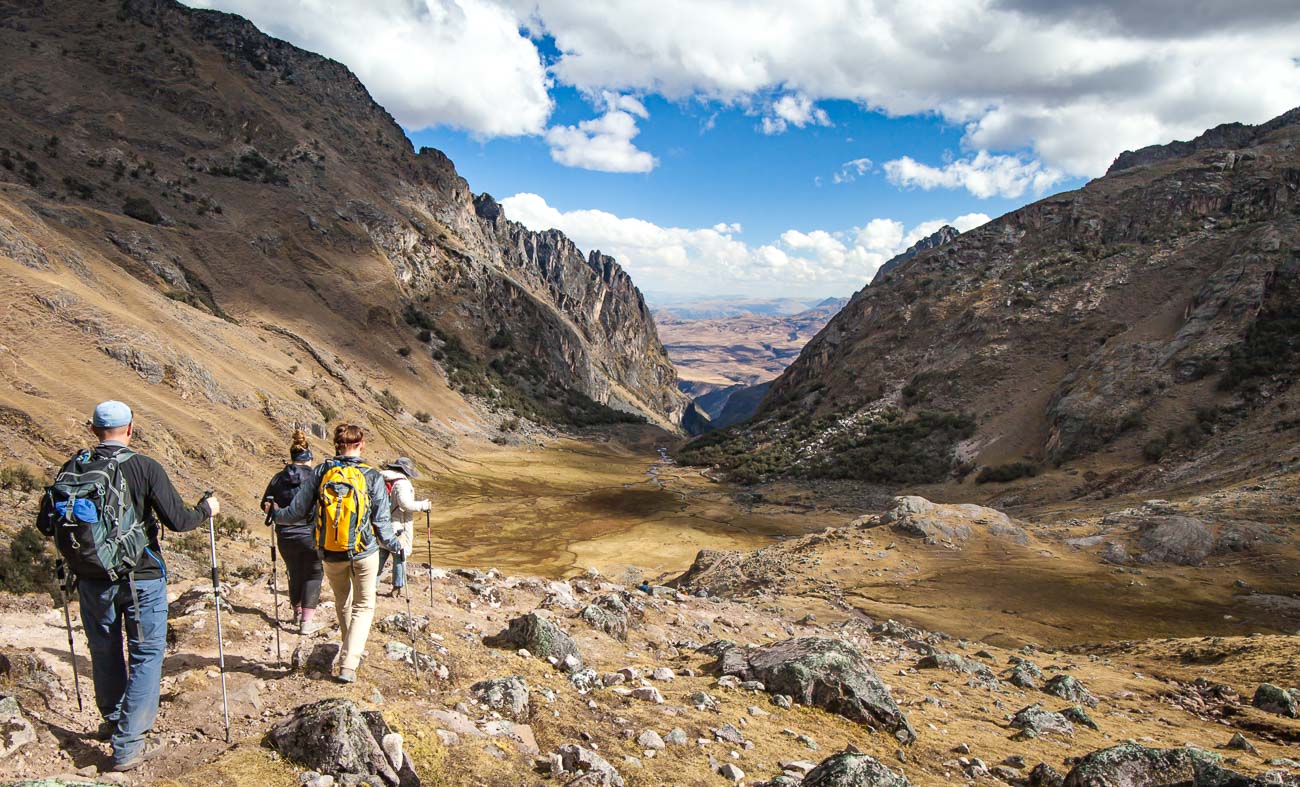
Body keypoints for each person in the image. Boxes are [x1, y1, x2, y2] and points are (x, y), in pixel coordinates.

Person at [35, 400, 221, 772]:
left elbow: (45, 524)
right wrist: (208, 510)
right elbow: (180, 520)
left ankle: (113, 720)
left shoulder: (74, 468)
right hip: (142, 576)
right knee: (146, 655)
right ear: (131, 429)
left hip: (91, 579)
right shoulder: (145, 468)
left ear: (93, 429)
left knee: (103, 650)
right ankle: (129, 743)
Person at [271, 423, 401, 683]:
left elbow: (296, 512)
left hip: (330, 552)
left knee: (344, 603)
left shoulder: (321, 472)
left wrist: (275, 514)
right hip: (365, 551)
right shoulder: (371, 475)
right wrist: (396, 545)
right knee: (364, 606)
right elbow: (381, 522)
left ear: (336, 445)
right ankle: (349, 663)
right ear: (361, 444)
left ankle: (348, 651)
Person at [260, 429, 323, 634]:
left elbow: (265, 504)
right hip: (310, 533)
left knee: (294, 571)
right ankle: (307, 621)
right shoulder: (315, 478)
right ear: (309, 458)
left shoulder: (278, 478)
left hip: (285, 535)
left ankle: (296, 612)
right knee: (314, 573)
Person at [377, 457, 431, 598]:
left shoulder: (381, 479)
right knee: (399, 556)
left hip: (381, 524)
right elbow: (405, 504)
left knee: (381, 556)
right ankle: (397, 588)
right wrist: (423, 505)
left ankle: (371, 586)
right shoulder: (402, 483)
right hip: (398, 525)